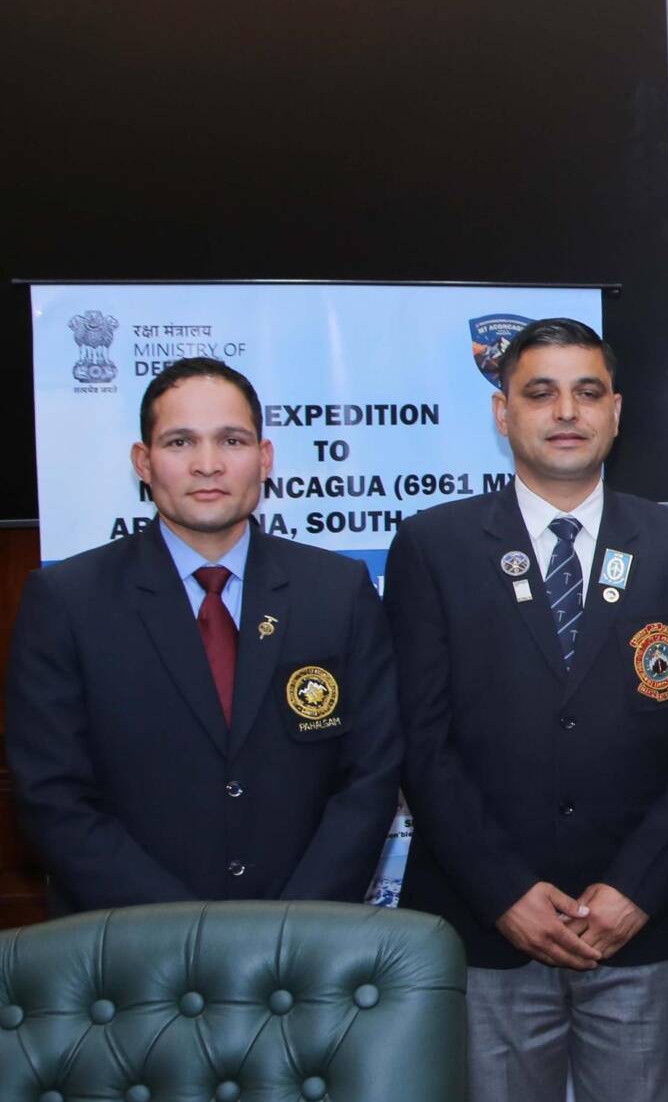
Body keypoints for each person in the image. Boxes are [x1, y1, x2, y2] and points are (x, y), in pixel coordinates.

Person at [386, 318, 668, 1102]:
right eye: (540, 393)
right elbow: (419, 741)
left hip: (640, 927)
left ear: (615, 412)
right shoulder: (433, 545)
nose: (565, 412)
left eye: (587, 393)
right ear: (502, 412)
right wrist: (504, 893)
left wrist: (635, 888)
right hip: (486, 929)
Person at [8, 357, 400, 914]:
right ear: (143, 462)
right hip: (132, 942)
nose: (208, 465)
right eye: (180, 442)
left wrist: (294, 924)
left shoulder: (338, 591)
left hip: (304, 939)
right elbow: (52, 794)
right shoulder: (68, 601)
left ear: (265, 458)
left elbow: (370, 775)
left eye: (232, 441)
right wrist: (182, 931)